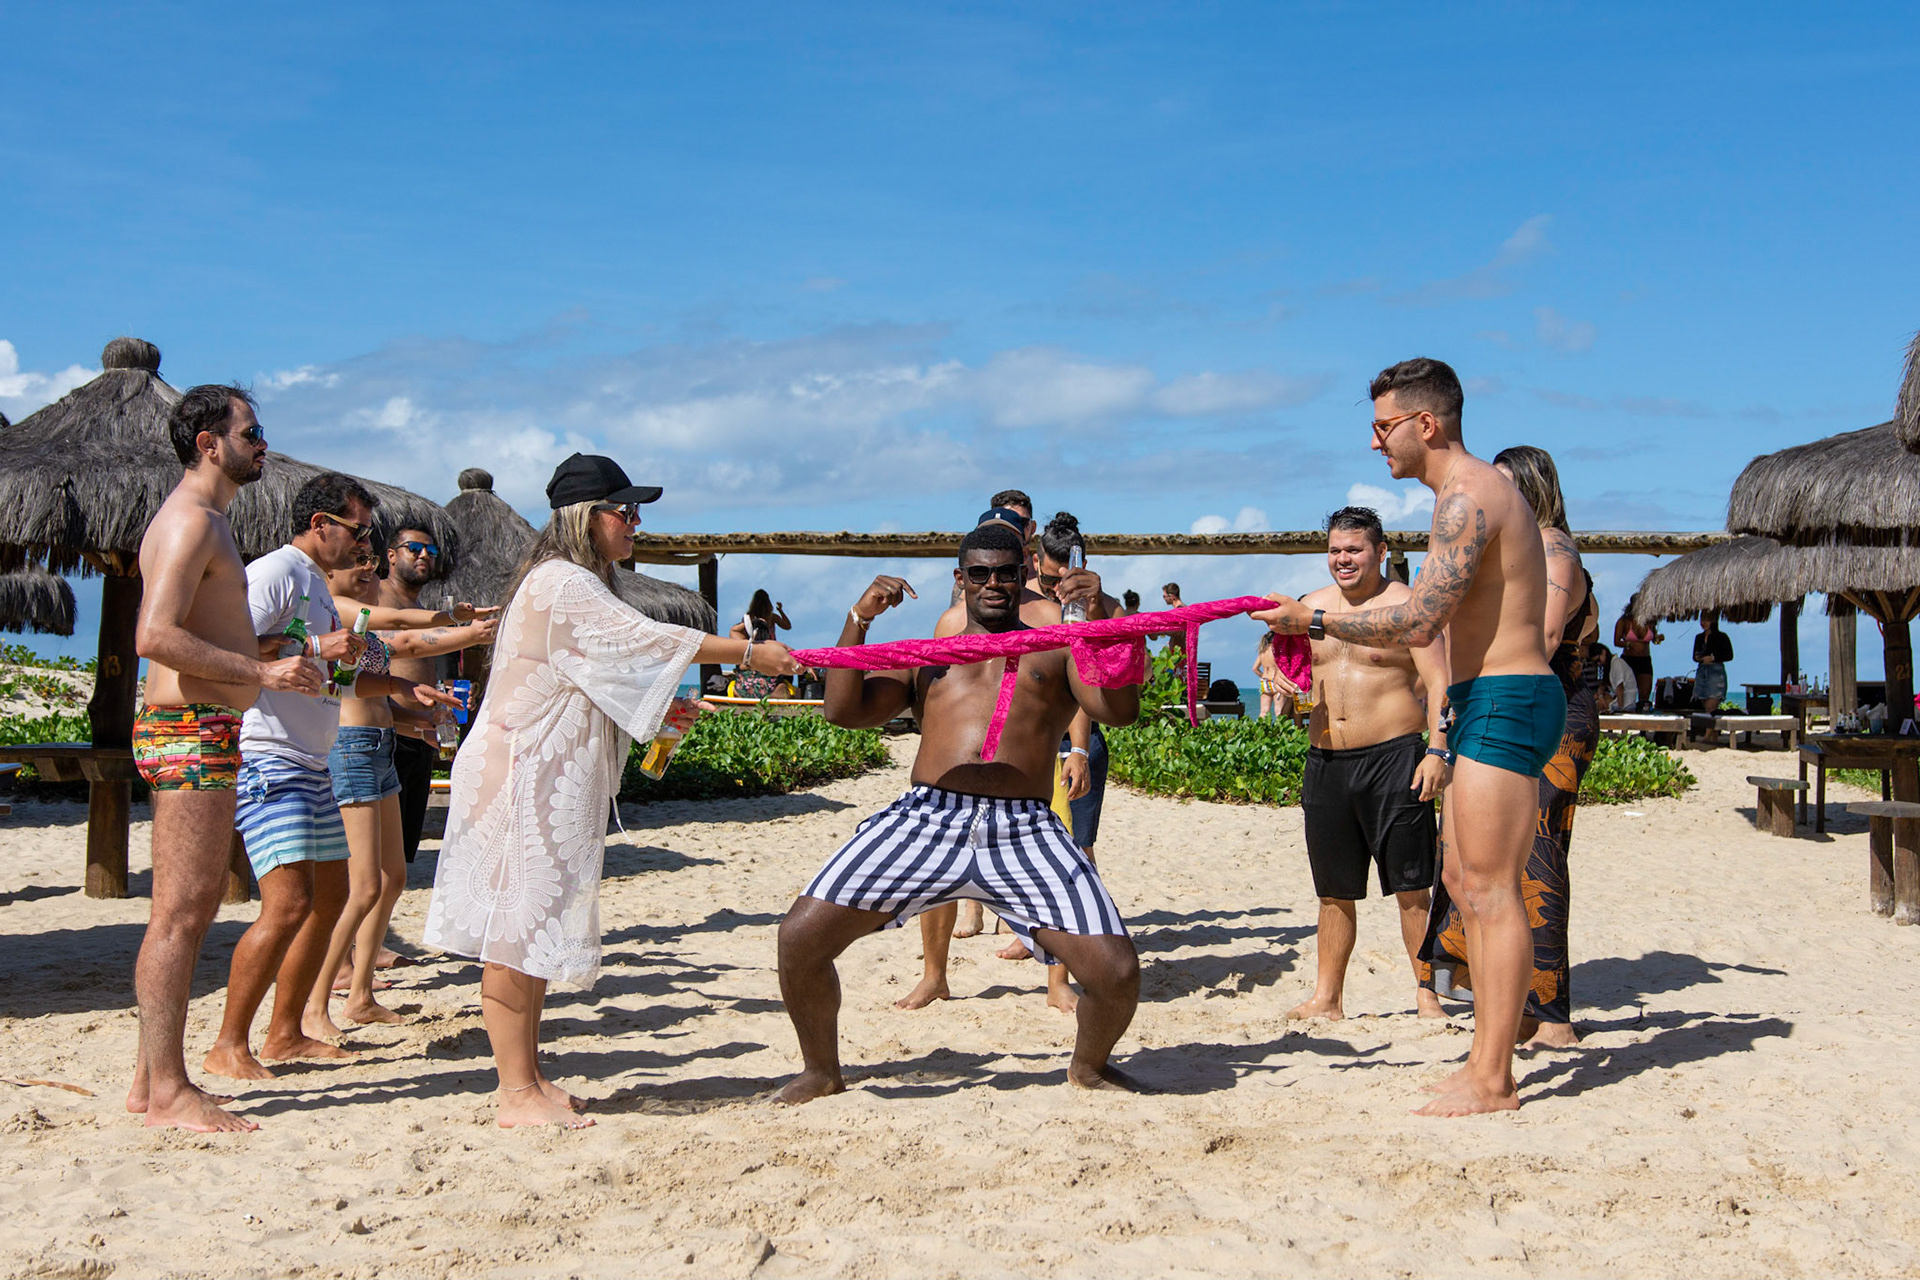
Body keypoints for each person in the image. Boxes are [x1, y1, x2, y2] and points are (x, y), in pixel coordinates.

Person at [421, 453, 801, 1128]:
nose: (634, 523)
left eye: (636, 512)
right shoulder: (563, 582)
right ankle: (514, 1093)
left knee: (534, 925)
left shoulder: (568, 582)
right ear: (584, 518)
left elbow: (605, 673)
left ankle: (529, 1078)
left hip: (535, 768)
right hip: (519, 770)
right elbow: (647, 639)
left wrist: (668, 711)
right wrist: (744, 654)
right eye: (623, 512)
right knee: (515, 929)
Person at [1256, 357, 1558, 1116]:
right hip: (1488, 695)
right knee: (1465, 886)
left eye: (1383, 426)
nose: (1375, 443)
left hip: (1507, 696)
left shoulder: (1467, 498)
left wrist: (1313, 619)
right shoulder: (1461, 496)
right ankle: (1484, 1062)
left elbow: (1421, 620)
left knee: (1489, 892)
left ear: (1427, 424)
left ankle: (1493, 1078)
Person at [775, 523, 1143, 1103]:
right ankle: (821, 1071)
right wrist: (859, 617)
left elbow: (1117, 710)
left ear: (1024, 573)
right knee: (800, 938)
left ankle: (1089, 1067)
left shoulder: (1054, 646)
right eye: (980, 573)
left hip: (1024, 827)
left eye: (1005, 572)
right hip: (927, 817)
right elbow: (843, 711)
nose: (993, 583)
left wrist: (1105, 621)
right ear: (960, 579)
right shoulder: (929, 655)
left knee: (1116, 972)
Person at [202, 475, 458, 1082]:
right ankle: (228, 1044)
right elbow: (226, 645)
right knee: (288, 905)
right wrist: (320, 643)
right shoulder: (278, 572)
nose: (364, 544)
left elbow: (339, 674)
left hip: (313, 759)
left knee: (335, 898)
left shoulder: (313, 583)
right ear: (321, 525)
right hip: (272, 758)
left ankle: (286, 1032)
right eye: (358, 530)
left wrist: (398, 687)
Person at [126, 384, 324, 1132]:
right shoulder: (188, 523)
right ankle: (170, 1091)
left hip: (203, 725)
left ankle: (151, 1080)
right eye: (253, 432)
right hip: (187, 729)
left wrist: (268, 654)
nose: (263, 444)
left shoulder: (209, 523)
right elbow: (155, 636)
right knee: (181, 912)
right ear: (210, 443)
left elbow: (203, 634)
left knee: (187, 908)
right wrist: (262, 674)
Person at [1423, 446, 1596, 1051]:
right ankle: (1514, 1008)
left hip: (1535, 704)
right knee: (1481, 867)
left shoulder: (1552, 546)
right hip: (1495, 701)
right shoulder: (1523, 546)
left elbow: (1545, 635)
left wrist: (1492, 696)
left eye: (1504, 481)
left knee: (1537, 863)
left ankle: (1552, 1015)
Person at [301, 539, 497, 1039]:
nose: (367, 570)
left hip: (378, 742)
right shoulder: (335, 608)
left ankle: (361, 995)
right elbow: (404, 642)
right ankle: (315, 1003)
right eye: (357, 564)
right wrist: (463, 628)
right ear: (331, 573)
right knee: (364, 884)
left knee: (391, 878)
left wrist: (416, 720)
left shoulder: (361, 617)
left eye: (370, 565)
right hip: (350, 748)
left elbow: (368, 691)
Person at [1277, 506, 1450, 1023]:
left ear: (1379, 552)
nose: (1343, 559)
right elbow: (1286, 669)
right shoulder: (1309, 607)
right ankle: (1327, 999)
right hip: (1326, 760)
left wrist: (1439, 751)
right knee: (1333, 892)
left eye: (1354, 550)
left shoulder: (1408, 607)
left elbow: (1441, 683)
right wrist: (1282, 686)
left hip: (1395, 757)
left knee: (1413, 888)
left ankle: (1428, 997)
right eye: (1335, 550)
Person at [379, 525, 457, 864]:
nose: (425, 555)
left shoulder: (424, 609)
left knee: (400, 857)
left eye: (431, 550)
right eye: (415, 548)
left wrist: (448, 695)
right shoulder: (376, 598)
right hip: (387, 732)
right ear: (392, 555)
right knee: (380, 859)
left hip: (421, 735)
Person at [730, 589, 796, 697]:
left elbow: (734, 630)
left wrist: (749, 623)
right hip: (771, 650)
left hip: (754, 649)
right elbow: (787, 626)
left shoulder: (750, 618)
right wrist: (780, 611)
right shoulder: (771, 617)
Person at [1613, 600, 1662, 711]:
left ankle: (1642, 724)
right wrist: (1629, 644)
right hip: (1628, 660)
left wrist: (1658, 638)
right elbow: (1616, 641)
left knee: (1644, 694)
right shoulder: (1624, 622)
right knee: (1626, 693)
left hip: (1645, 660)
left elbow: (1653, 638)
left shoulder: (1649, 622)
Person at [1693, 611, 1733, 710]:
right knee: (1702, 703)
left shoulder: (1722, 637)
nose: (1703, 623)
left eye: (1707, 620)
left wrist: (1713, 658)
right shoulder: (1699, 637)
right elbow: (1694, 656)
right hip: (1702, 671)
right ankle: (1708, 725)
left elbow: (1729, 655)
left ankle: (1709, 725)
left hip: (1715, 672)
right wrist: (1699, 658)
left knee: (1710, 707)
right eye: (1702, 619)